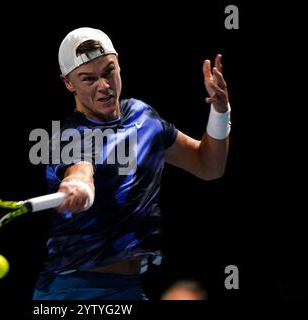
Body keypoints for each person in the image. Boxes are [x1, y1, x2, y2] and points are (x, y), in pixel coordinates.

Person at [33, 27, 231, 300]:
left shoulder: (143, 116)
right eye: (87, 79)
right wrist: (77, 184)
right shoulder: (70, 137)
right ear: (68, 83)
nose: (103, 86)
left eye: (108, 71)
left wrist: (220, 111)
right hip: (74, 290)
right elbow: (80, 170)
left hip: (129, 289)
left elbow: (208, 166)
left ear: (119, 64)